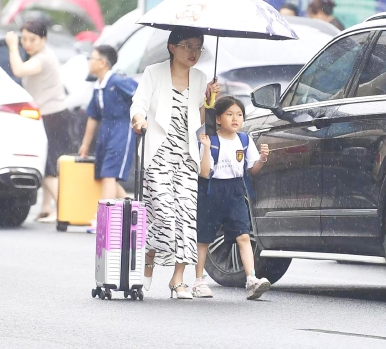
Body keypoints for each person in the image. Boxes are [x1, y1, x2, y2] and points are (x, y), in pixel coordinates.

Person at [130, 27, 220, 299]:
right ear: (172, 47)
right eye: (188, 46)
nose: (193, 53)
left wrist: (210, 99)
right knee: (164, 214)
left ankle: (177, 279)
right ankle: (148, 261)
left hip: (186, 156)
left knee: (185, 217)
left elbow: (204, 120)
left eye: (198, 48)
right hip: (157, 153)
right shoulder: (153, 73)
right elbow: (138, 103)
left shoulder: (201, 77)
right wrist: (139, 120)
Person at [194, 96, 271, 300]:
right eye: (229, 114)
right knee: (204, 238)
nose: (235, 118)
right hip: (212, 190)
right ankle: (199, 280)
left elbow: (252, 170)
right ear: (217, 119)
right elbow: (203, 173)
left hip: (236, 190)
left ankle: (251, 280)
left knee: (243, 235)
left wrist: (262, 159)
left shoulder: (244, 140)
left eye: (239, 114)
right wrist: (206, 148)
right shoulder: (211, 139)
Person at [5, 21, 72, 223]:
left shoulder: (43, 58)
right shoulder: (41, 55)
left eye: (32, 39)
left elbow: (18, 70)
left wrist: (11, 46)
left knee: (48, 165)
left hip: (52, 117)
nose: (27, 43)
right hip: (51, 115)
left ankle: (64, 211)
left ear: (43, 39)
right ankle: (47, 208)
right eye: (24, 39)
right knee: (47, 162)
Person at [78, 45, 137, 233]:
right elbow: (93, 116)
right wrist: (85, 144)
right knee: (105, 175)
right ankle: (134, 212)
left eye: (92, 58)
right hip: (105, 131)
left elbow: (140, 97)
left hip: (122, 129)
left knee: (109, 174)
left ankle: (105, 221)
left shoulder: (118, 81)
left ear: (103, 63)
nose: (89, 62)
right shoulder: (98, 86)